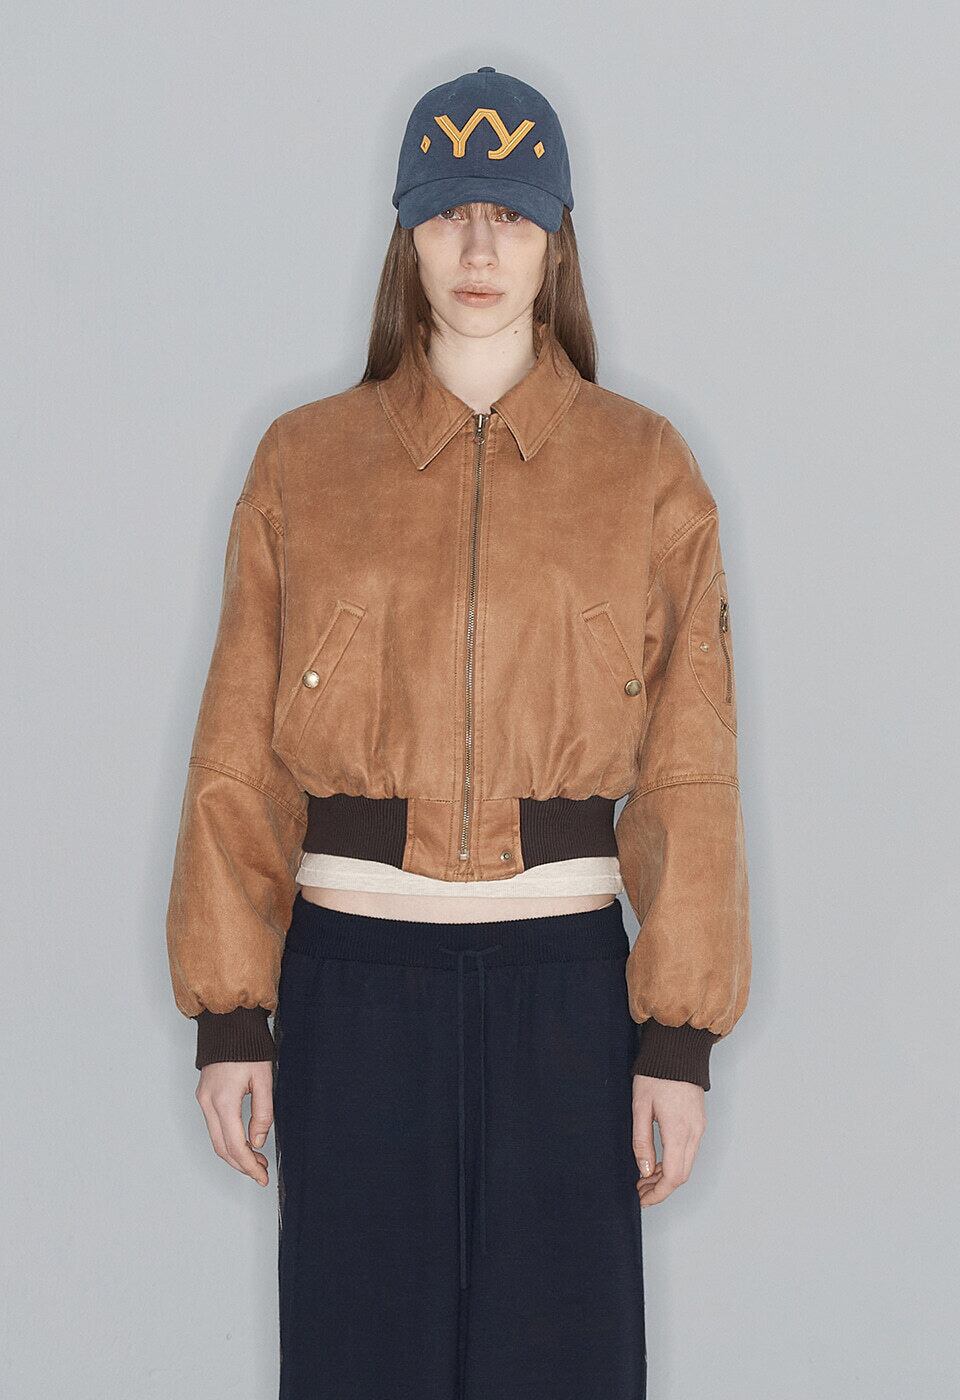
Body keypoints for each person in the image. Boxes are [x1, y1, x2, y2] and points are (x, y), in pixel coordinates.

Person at [165, 65, 751, 1400]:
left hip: (564, 996)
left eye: (512, 216)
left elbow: (691, 769)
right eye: (448, 214)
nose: (480, 250)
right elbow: (235, 752)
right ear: (406, 235)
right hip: (353, 990)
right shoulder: (304, 462)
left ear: (555, 241)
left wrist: (676, 1043)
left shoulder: (645, 468)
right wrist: (231, 1016)